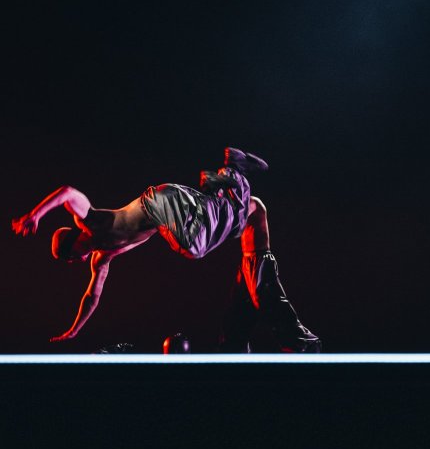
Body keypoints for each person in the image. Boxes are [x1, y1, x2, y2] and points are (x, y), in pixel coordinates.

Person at [11, 147, 321, 353]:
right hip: (170, 214)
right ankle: (218, 183)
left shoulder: (89, 221)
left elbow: (68, 193)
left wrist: (34, 215)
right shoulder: (101, 257)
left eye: (73, 257)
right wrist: (73, 330)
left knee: (194, 248)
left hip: (159, 202)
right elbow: (92, 295)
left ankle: (232, 171)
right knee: (232, 222)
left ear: (72, 245)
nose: (79, 260)